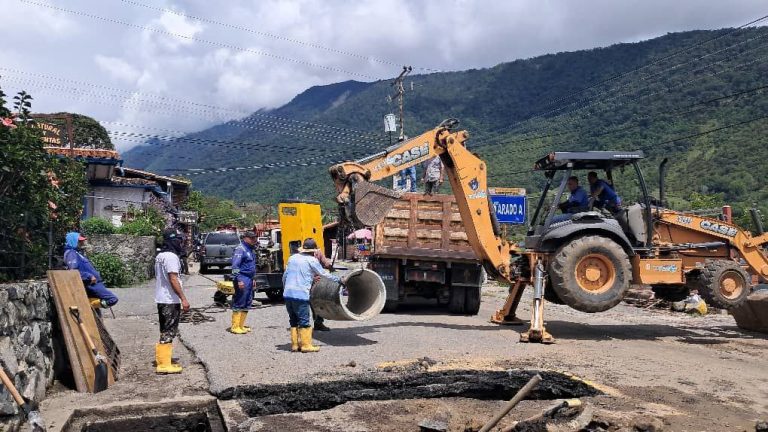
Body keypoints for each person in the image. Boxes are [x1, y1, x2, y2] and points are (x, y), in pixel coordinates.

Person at [282, 238, 340, 353]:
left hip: (288, 294)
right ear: (313, 251)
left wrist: (285, 289)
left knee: (293, 320)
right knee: (304, 320)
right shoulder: (312, 260)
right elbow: (323, 273)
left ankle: (295, 345)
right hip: (300, 294)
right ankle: (306, 345)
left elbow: (285, 276)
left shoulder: (292, 258)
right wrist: (338, 280)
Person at [154, 228, 191, 374]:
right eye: (178, 240)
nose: (180, 243)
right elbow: (173, 279)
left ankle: (163, 360)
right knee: (169, 331)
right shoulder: (171, 257)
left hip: (162, 298)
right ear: (173, 241)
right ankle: (164, 365)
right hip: (169, 299)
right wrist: (183, 299)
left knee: (165, 330)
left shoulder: (160, 256)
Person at [63, 232, 118, 310]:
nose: (82, 242)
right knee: (112, 299)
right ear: (73, 241)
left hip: (95, 282)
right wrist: (89, 276)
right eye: (79, 241)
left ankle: (90, 307)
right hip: (91, 283)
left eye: (82, 241)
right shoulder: (71, 254)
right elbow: (73, 271)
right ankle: (87, 304)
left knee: (102, 302)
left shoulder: (77, 252)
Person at [230, 231, 258, 334]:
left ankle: (241, 325)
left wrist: (253, 278)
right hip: (242, 277)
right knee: (240, 301)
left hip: (249, 278)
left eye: (254, 238)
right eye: (251, 238)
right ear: (245, 238)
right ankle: (235, 326)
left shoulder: (250, 249)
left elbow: (251, 265)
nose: (254, 240)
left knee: (247, 301)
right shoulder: (240, 249)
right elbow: (235, 266)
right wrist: (238, 279)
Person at [312, 249, 334, 331]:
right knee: (317, 303)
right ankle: (317, 323)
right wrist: (330, 267)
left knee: (315, 303)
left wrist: (329, 266)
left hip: (310, 282)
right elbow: (326, 263)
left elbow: (325, 263)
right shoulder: (317, 252)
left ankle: (317, 323)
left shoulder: (300, 255)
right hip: (313, 281)